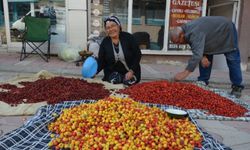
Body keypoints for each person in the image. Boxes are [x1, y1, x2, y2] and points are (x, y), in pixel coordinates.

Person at [170, 16, 244, 98]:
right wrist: (202, 56)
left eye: (178, 42)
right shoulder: (186, 30)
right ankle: (203, 81)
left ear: (181, 35)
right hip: (211, 36)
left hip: (226, 30)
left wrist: (184, 73)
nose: (179, 44)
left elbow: (197, 54)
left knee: (232, 58)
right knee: (205, 57)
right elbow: (196, 46)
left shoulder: (194, 32)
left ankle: (237, 86)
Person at [96, 16, 141, 86]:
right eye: (108, 28)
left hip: (130, 71)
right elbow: (101, 61)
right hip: (113, 73)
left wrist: (132, 71)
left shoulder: (129, 38)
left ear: (119, 26)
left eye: (113, 26)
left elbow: (137, 55)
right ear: (106, 30)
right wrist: (95, 72)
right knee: (114, 82)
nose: (111, 29)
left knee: (128, 83)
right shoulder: (105, 42)